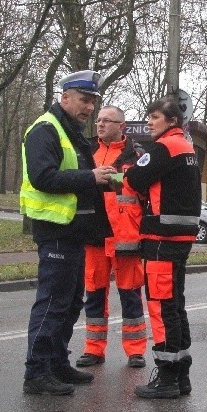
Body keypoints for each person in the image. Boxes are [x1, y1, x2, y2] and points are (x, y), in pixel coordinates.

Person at [20, 70, 116, 396]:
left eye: (93, 102)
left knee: (71, 301)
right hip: (55, 229)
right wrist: (91, 177)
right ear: (65, 97)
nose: (89, 108)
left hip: (75, 231)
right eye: (85, 100)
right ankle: (37, 372)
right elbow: (42, 178)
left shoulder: (70, 130)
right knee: (52, 303)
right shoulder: (45, 130)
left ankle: (57, 362)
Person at [125, 95, 201, 399]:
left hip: (161, 239)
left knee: (160, 305)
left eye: (154, 117)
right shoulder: (187, 147)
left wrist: (130, 172)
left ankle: (167, 377)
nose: (149, 122)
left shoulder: (165, 147)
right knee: (174, 305)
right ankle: (181, 375)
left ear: (171, 122)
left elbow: (134, 179)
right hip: (179, 237)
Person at [75, 105, 148, 370]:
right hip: (93, 234)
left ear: (122, 126)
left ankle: (136, 351)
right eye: (99, 120)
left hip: (125, 235)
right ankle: (93, 349)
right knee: (94, 294)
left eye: (108, 120)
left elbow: (141, 190)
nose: (101, 124)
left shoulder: (137, 154)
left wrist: (109, 179)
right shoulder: (86, 150)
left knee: (130, 295)